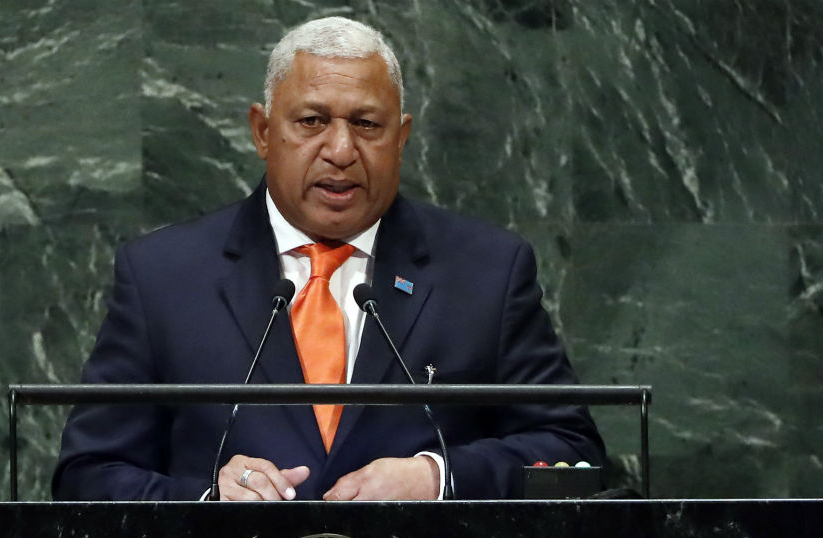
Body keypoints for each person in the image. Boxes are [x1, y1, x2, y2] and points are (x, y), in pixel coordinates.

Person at [52, 16, 604, 502]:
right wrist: (208, 500)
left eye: (366, 124)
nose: (341, 151)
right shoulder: (163, 276)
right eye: (312, 121)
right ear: (262, 132)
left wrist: (439, 478)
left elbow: (574, 457)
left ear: (401, 138)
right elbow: (87, 475)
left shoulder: (487, 272)